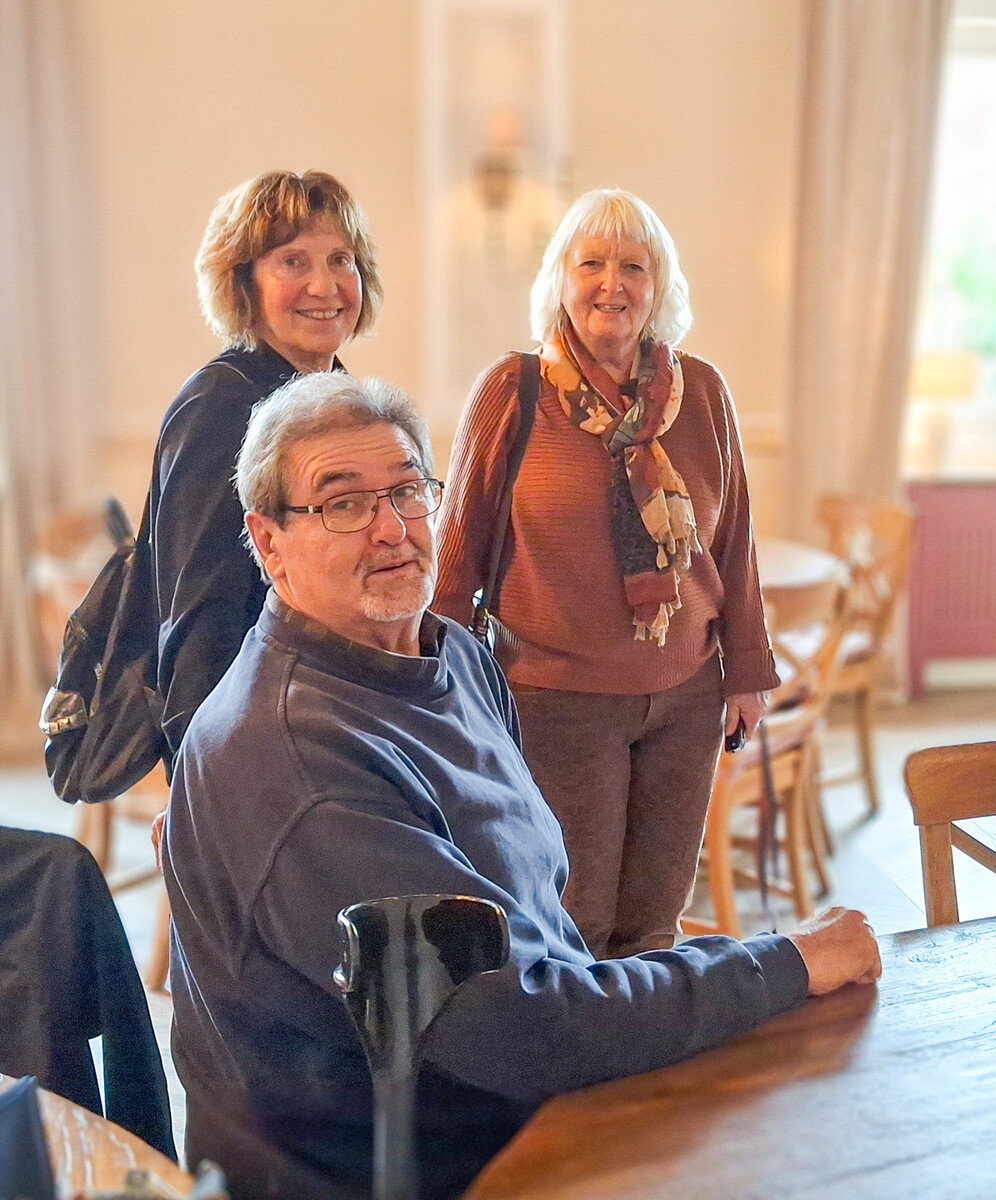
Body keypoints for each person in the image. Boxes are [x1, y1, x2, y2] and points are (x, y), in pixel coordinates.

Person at [162, 372, 880, 1199]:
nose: (391, 528)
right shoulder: (300, 760)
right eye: (343, 503)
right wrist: (780, 962)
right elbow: (526, 1030)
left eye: (407, 490)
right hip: (396, 1170)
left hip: (510, 1106)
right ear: (268, 542)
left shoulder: (454, 656)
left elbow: (539, 941)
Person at [434, 188, 778, 958]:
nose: (611, 284)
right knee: (574, 920)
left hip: (687, 697)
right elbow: (454, 565)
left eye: (633, 266)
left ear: (660, 287)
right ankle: (572, 1041)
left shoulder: (702, 394)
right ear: (560, 278)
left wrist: (748, 673)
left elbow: (734, 544)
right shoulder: (513, 391)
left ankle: (650, 1038)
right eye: (591, 263)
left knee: (656, 922)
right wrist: (437, 694)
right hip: (556, 702)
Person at [150, 169, 381, 761]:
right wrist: (204, 772)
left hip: (329, 708)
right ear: (243, 282)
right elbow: (199, 614)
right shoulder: (220, 405)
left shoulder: (335, 395)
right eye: (293, 262)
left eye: (340, 260)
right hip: (256, 732)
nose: (324, 285)